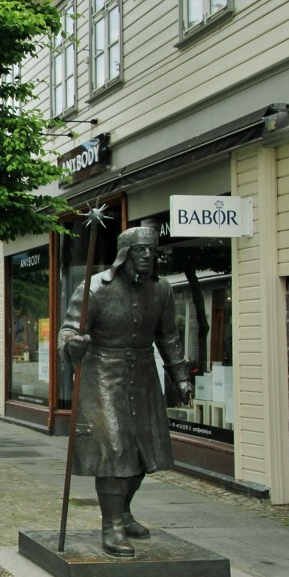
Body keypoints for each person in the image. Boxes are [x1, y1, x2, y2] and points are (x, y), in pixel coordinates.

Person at [58, 227, 192, 558]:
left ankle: (125, 512)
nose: (148, 256)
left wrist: (180, 376)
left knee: (144, 453)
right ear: (125, 254)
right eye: (140, 251)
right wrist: (73, 344)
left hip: (143, 375)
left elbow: (168, 336)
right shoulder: (94, 288)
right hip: (103, 375)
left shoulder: (161, 290)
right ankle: (112, 525)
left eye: (152, 251)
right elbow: (69, 329)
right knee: (114, 453)